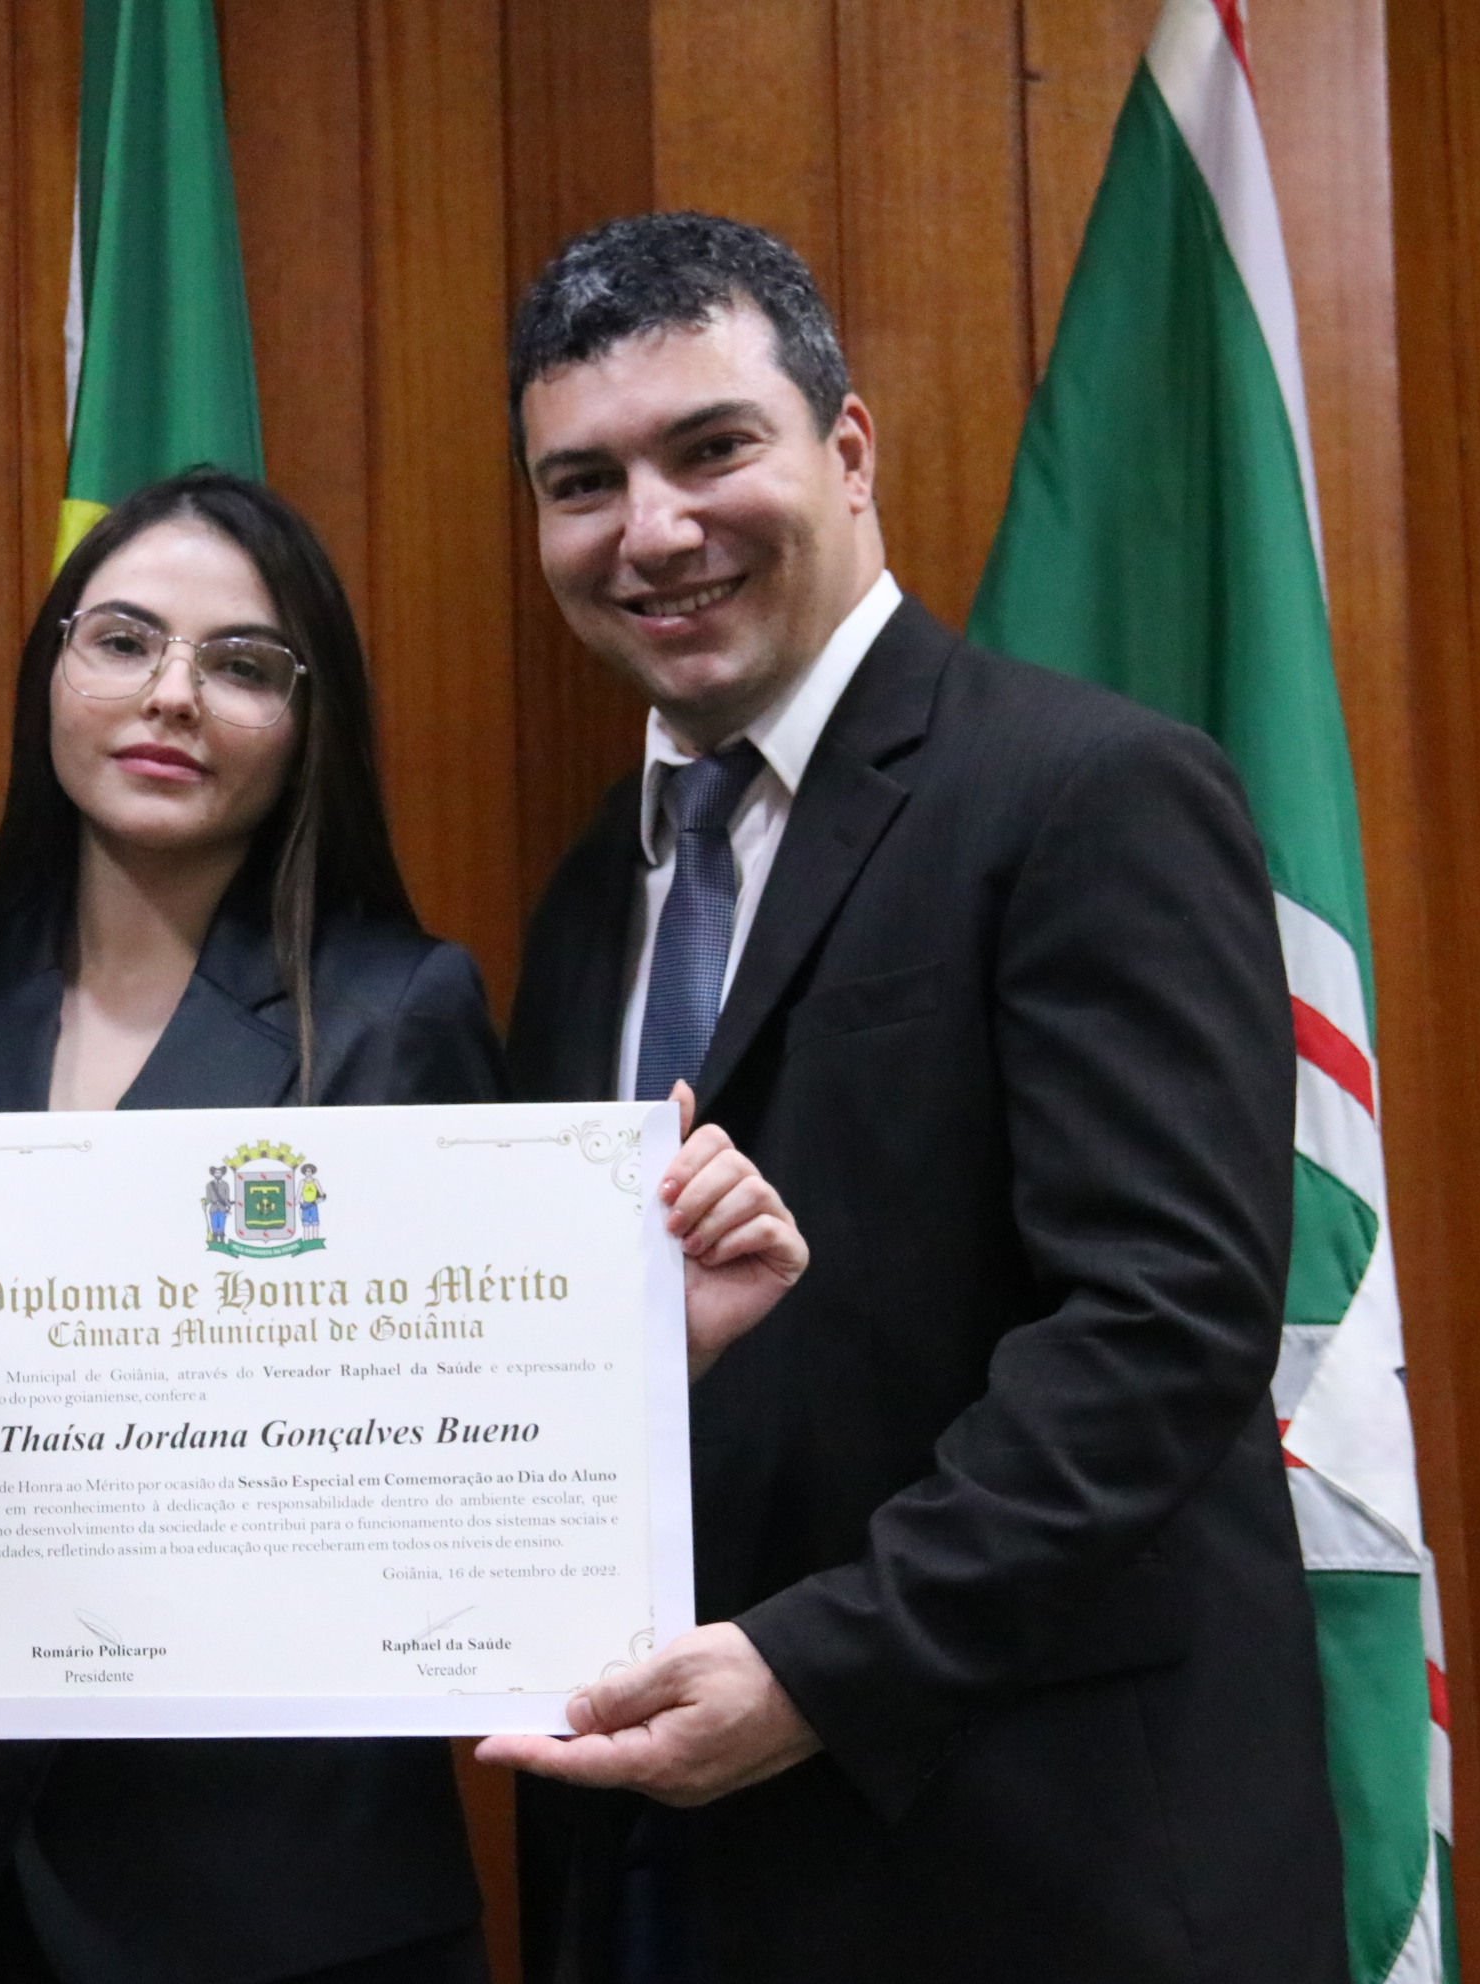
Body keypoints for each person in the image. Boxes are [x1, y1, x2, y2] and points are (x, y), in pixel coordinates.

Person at [0, 470, 811, 1984]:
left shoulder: (398, 1010)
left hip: (292, 1901)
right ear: (52, 668)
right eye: (123, 640)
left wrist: (640, 1352)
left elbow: (467, 1433)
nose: (171, 694)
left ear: (308, 723)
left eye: (241, 664)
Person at [478, 210, 1347, 1981]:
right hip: (667, 1866)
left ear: (850, 450)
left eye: (711, 448)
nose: (653, 529)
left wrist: (820, 1667)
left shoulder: (1089, 792)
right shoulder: (585, 905)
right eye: (584, 483)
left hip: (1040, 1868)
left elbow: (1163, 1325)